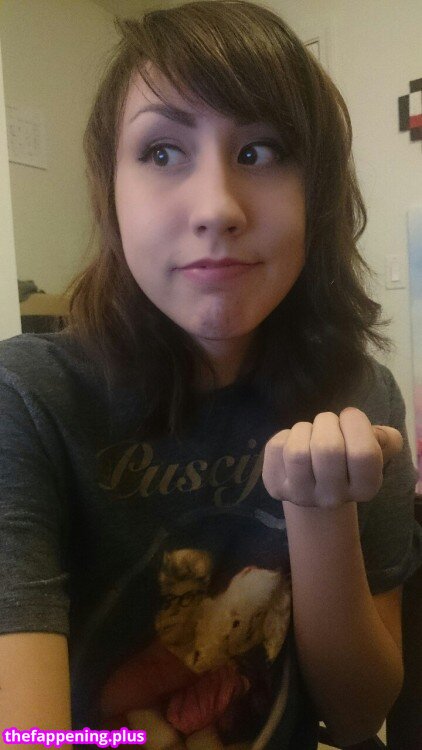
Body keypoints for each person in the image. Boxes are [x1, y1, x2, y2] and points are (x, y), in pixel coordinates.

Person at [0, 2, 421, 748]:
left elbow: (359, 718)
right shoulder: (26, 401)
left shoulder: (363, 399)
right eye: (163, 152)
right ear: (111, 192)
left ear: (317, 193)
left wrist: (320, 508)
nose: (218, 208)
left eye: (260, 151)